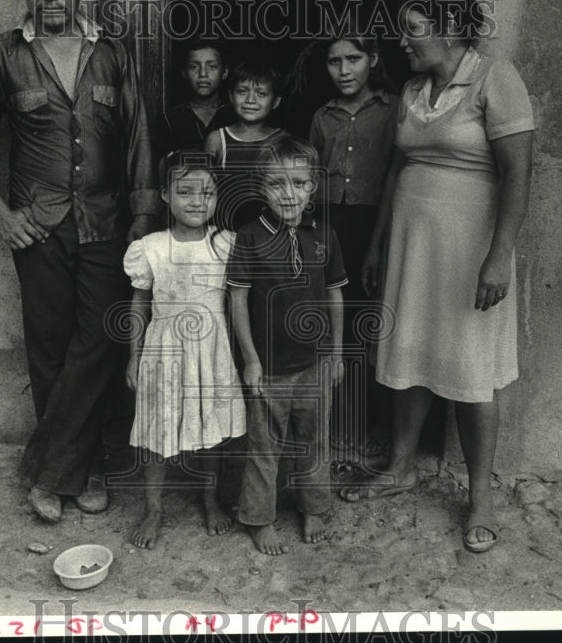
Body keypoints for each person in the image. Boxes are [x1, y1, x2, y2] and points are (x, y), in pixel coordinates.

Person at [0, 0, 159, 523]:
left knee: (101, 341)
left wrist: (143, 220)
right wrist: (1, 213)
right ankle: (81, 470)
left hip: (106, 223)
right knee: (49, 350)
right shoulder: (1, 55)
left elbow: (141, 138)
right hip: (37, 226)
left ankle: (53, 468)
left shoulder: (113, 52)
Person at [340, 0, 534, 556]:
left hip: (470, 249)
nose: (404, 41)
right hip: (411, 243)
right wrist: (376, 245)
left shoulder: (496, 79)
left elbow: (519, 174)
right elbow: (398, 169)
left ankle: (479, 498)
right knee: (410, 349)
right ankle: (400, 467)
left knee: (473, 369)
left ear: (449, 27)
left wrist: (498, 256)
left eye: (413, 29)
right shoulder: (412, 88)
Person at [227, 137, 347, 555]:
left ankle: (313, 506)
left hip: (314, 363)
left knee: (314, 440)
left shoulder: (325, 234)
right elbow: (238, 298)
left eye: (298, 183)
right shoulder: (249, 236)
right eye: (277, 184)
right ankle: (259, 518)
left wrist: (335, 353)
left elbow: (335, 294)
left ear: (313, 185)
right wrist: (251, 360)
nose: (288, 193)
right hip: (270, 368)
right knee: (264, 447)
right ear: (262, 187)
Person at [123, 150, 246, 549]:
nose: (197, 201)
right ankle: (154, 507)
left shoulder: (226, 244)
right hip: (163, 353)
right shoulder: (151, 247)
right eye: (186, 191)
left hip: (211, 352)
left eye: (207, 192)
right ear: (165, 195)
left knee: (211, 429)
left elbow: (236, 304)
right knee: (157, 430)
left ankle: (210, 498)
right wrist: (133, 354)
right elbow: (139, 303)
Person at [306, 33, 399, 465]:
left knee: (374, 326)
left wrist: (379, 244)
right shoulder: (322, 117)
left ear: (373, 59)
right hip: (331, 225)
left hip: (375, 225)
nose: (343, 70)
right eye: (334, 61)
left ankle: (379, 424)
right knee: (334, 326)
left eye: (353, 59)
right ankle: (341, 425)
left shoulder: (394, 109)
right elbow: (310, 177)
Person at [204, 60, 289, 231]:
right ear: (230, 95)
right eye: (242, 92)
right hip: (224, 231)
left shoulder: (283, 139)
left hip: (270, 233)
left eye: (261, 94)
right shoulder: (217, 140)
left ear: (276, 101)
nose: (250, 100)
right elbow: (205, 191)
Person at [155, 40, 235, 157]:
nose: (203, 74)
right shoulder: (171, 118)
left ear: (224, 72)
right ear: (184, 73)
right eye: (194, 67)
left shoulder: (235, 115)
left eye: (212, 67)